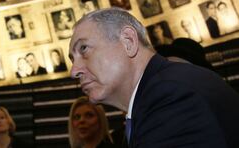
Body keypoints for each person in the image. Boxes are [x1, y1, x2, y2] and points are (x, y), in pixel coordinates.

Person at [69, 8, 239, 148]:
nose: (74, 71)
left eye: (83, 49)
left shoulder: (169, 96)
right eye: (72, 59)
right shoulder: (158, 93)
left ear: (128, 41)